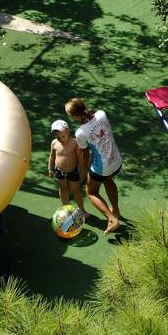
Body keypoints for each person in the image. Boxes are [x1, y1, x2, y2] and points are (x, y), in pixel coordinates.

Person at [65, 97, 122, 234]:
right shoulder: (102, 114)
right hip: (116, 160)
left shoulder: (80, 133)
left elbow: (85, 154)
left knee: (91, 192)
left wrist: (85, 169)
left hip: (101, 167)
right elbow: (93, 115)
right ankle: (116, 210)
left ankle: (112, 219)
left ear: (75, 116)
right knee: (108, 180)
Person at [48, 119, 86, 214]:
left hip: (72, 171)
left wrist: (83, 170)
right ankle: (65, 207)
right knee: (63, 188)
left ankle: (82, 210)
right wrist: (50, 168)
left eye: (63, 136)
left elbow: (80, 158)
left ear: (68, 131)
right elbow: (52, 156)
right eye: (58, 137)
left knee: (76, 190)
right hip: (59, 171)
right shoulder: (54, 143)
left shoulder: (74, 143)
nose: (61, 139)